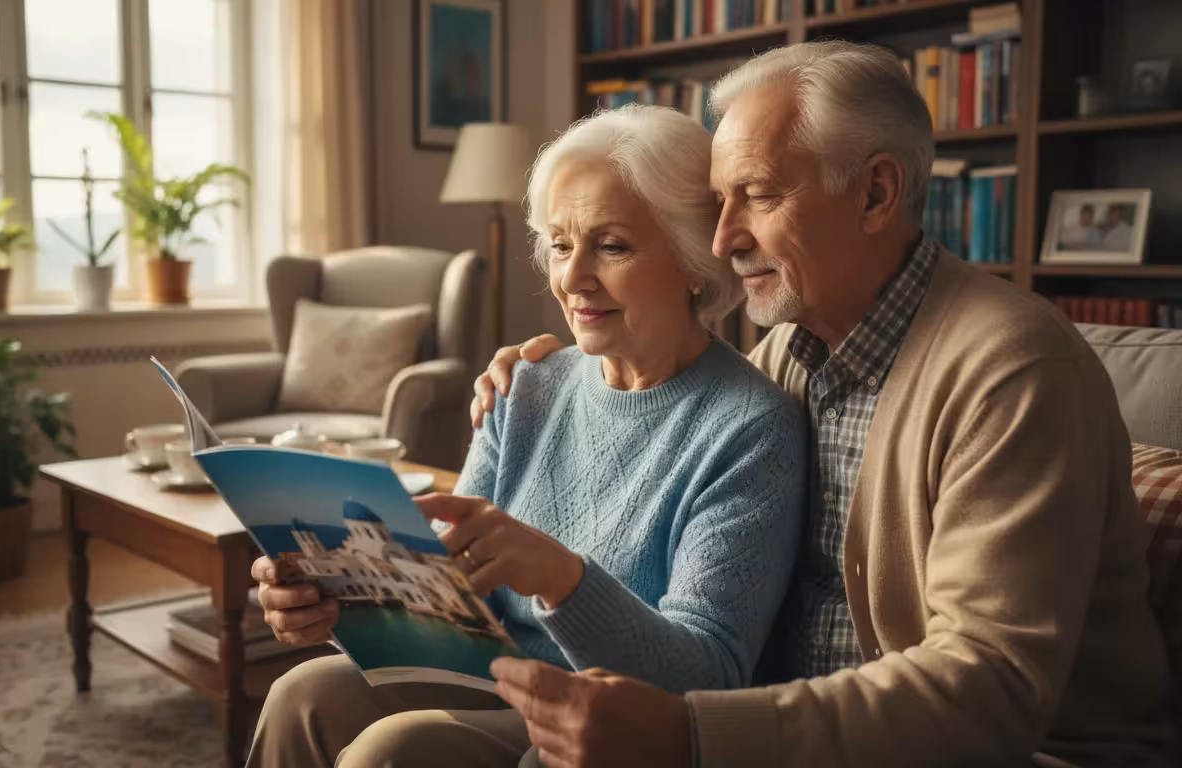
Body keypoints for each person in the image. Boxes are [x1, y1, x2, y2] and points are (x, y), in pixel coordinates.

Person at [476, 42, 1176, 768]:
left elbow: (989, 687)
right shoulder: (788, 357)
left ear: (874, 193)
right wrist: (557, 369)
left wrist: (691, 735)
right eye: (721, 202)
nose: (723, 239)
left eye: (759, 195)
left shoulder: (1015, 371)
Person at [245, 105, 809, 768]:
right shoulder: (528, 385)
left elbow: (708, 675)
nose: (571, 279)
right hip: (491, 672)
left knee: (391, 751)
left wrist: (560, 578)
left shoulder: (751, 427)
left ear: (693, 261)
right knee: (302, 692)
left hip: (600, 720)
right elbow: (453, 604)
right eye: (563, 245)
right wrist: (336, 603)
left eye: (613, 245)